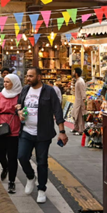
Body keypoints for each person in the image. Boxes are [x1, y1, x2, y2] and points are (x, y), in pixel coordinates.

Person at [17, 68, 68, 204]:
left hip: (43, 133)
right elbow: (19, 105)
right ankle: (30, 176)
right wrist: (19, 112)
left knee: (42, 162)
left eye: (31, 76)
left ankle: (41, 189)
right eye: (27, 76)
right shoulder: (25, 90)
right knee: (21, 156)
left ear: (39, 77)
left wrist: (62, 132)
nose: (28, 78)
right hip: (26, 131)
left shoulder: (49, 91)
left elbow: (58, 111)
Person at [0, 74, 22, 194]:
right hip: (1, 129)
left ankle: (12, 181)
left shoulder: (19, 96)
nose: (5, 84)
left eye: (8, 82)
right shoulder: (0, 96)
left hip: (15, 130)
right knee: (0, 153)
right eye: (4, 82)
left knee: (12, 157)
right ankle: (5, 167)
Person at [72, 67, 86, 135]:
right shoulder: (78, 80)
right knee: (75, 114)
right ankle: (76, 128)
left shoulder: (80, 81)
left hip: (80, 101)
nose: (73, 73)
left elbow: (83, 92)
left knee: (79, 116)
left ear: (76, 73)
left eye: (74, 72)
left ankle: (81, 130)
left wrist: (84, 101)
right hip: (77, 100)